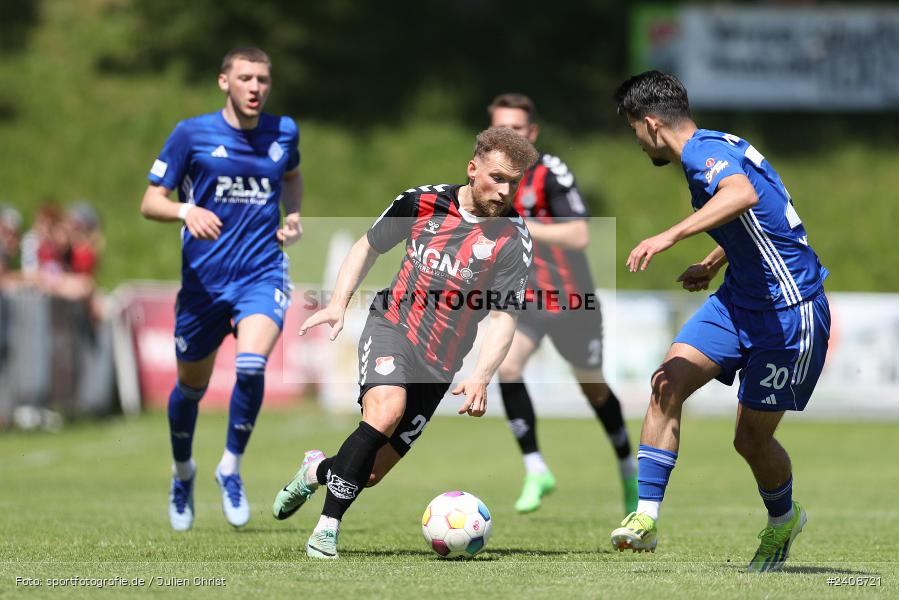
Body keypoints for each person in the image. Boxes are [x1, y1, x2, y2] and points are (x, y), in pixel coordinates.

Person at [271, 127, 537, 559]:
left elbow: (505, 316)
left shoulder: (513, 238)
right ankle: (326, 529)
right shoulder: (420, 202)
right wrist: (338, 303)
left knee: (371, 472)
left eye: (514, 182)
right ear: (472, 169)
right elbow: (367, 246)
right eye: (497, 177)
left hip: (441, 363)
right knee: (385, 412)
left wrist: (481, 376)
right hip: (392, 327)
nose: (505, 191)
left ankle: (315, 471)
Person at [609, 71, 830, 572]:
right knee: (666, 383)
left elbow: (742, 196)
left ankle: (783, 520)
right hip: (738, 299)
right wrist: (713, 261)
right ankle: (645, 518)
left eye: (633, 129)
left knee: (750, 440)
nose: (637, 142)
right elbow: (761, 214)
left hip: (789, 312)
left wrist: (668, 236)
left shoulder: (702, 155)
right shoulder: (719, 143)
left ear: (651, 124)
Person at [139, 47, 304, 531]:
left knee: (251, 366)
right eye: (246, 78)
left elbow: (292, 175)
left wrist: (293, 216)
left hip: (262, 273)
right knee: (191, 388)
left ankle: (230, 467)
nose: (255, 88)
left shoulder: (284, 131)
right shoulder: (191, 134)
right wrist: (185, 210)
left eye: (263, 80)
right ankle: (182, 472)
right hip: (203, 285)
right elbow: (150, 201)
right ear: (223, 81)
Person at [488, 93, 638, 515]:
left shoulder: (550, 172)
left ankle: (628, 469)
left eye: (516, 129)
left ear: (532, 133)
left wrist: (521, 226)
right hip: (526, 301)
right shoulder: (486, 178)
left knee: (593, 388)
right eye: (499, 130)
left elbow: (579, 235)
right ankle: (536, 469)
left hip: (572, 302)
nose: (507, 138)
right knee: (507, 366)